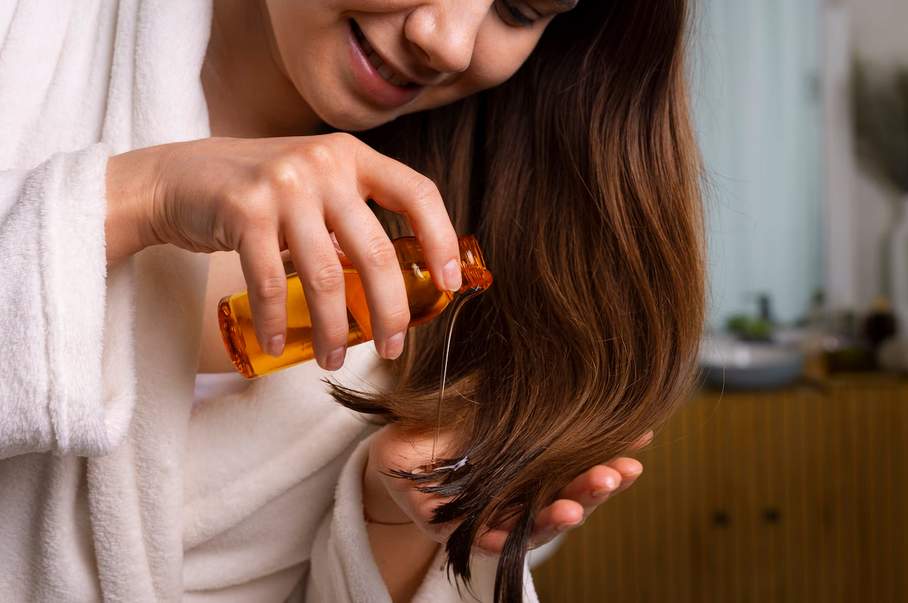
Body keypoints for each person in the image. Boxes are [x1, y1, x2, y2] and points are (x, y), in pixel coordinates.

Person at [0, 1, 703, 602]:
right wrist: (137, 199)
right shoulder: (31, 30)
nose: (448, 41)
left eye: (520, 8)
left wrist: (391, 521)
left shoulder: (467, 310)